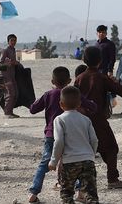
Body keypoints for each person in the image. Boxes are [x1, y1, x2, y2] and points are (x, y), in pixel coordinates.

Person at [74, 46, 122, 189]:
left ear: (84, 60)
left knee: (81, 151)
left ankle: (74, 182)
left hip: (81, 120)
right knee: (111, 148)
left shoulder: (79, 78)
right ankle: (112, 179)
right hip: (98, 120)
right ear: (100, 61)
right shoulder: (102, 78)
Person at [28, 67, 97, 203]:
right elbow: (92, 107)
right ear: (70, 81)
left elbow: (33, 109)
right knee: (75, 161)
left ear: (52, 81)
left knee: (45, 163)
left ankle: (34, 192)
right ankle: (80, 193)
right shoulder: (73, 94)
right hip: (71, 135)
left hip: (50, 134)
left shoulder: (48, 94)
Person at [48, 86, 99, 204]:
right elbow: (94, 140)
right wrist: (91, 154)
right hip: (87, 160)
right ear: (79, 104)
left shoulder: (59, 120)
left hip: (69, 161)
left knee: (67, 193)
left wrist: (54, 161)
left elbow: (59, 141)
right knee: (91, 194)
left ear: (61, 104)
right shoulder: (86, 119)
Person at [0, 34, 20, 118]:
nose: (13, 42)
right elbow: (1, 62)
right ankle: (7, 113)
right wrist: (11, 63)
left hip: (12, 74)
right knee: (10, 93)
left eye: (15, 40)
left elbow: (13, 61)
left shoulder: (13, 50)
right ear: (8, 41)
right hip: (6, 75)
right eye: (11, 40)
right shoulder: (5, 50)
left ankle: (10, 111)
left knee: (15, 93)